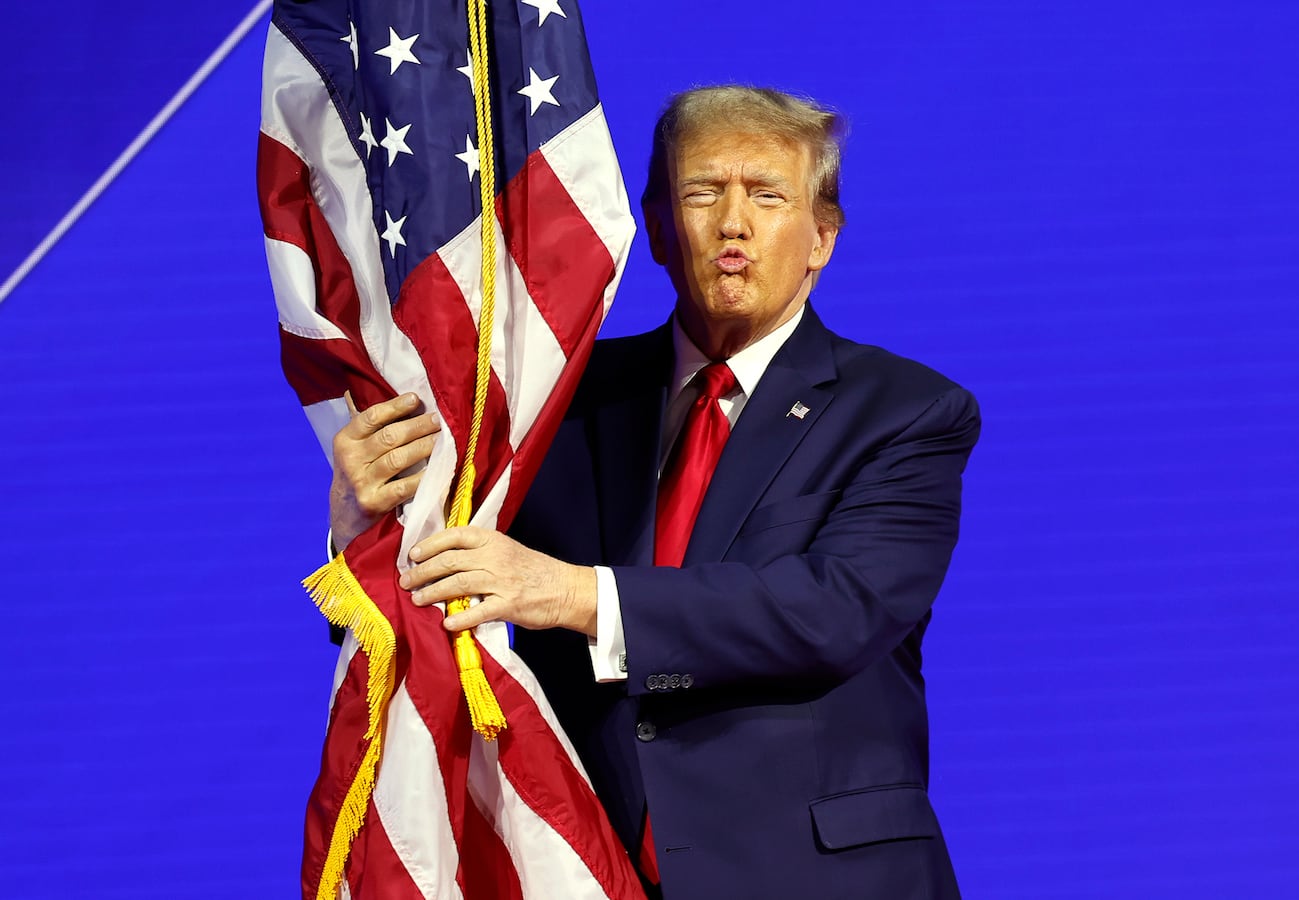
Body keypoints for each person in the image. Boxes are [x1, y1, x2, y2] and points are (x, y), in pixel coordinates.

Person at [328, 86, 979, 899]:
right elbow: (440, 593)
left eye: (767, 195)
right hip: (584, 865)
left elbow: (834, 610)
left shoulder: (906, 410)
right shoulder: (553, 404)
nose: (733, 223)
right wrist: (369, 527)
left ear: (822, 238)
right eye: (703, 192)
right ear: (660, 231)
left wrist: (574, 595)